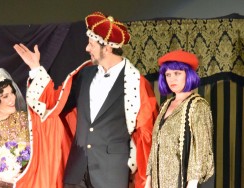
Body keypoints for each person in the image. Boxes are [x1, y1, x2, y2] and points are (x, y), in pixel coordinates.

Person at [13, 11, 158, 188]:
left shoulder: (136, 83)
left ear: (107, 48)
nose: (87, 49)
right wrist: (36, 68)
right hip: (77, 170)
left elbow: (146, 133)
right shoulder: (84, 74)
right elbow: (56, 103)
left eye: (91, 45)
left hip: (112, 173)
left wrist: (144, 176)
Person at [145, 50, 214, 188]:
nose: (172, 79)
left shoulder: (198, 106)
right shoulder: (165, 106)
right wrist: (149, 181)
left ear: (188, 75)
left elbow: (202, 150)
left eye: (177, 73)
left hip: (182, 182)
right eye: (168, 75)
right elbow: (155, 147)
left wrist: (192, 184)